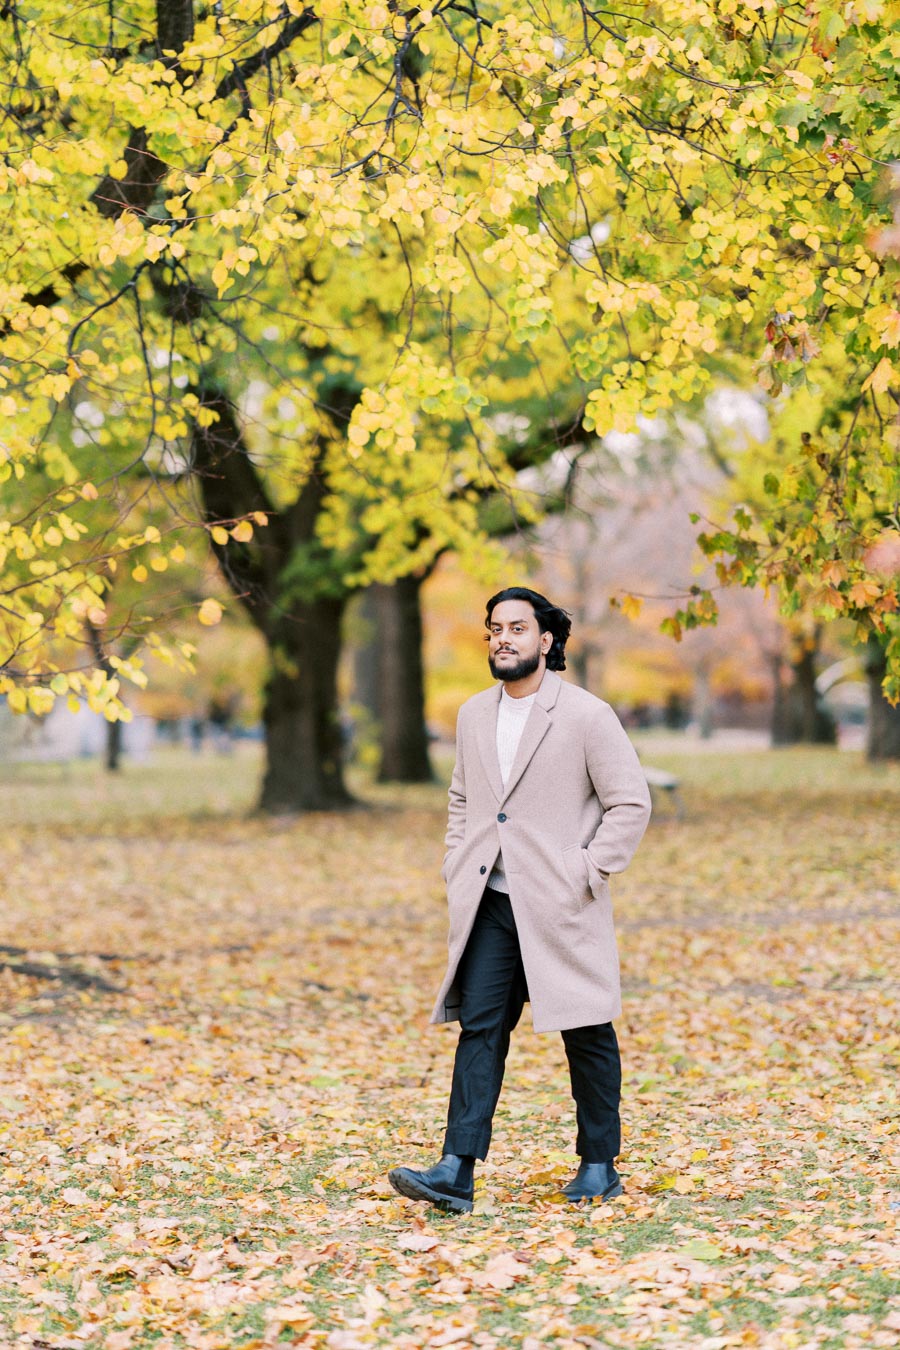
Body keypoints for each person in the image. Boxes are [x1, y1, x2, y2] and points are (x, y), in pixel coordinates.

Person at [389, 586, 652, 1212]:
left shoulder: (587, 715)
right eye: (493, 628)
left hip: (560, 902)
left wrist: (585, 871)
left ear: (546, 640)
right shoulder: (474, 714)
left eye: (516, 627)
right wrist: (457, 862)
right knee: (480, 1029)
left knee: (586, 1028)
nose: (502, 638)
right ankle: (456, 1169)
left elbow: (631, 803)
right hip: (490, 901)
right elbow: (463, 798)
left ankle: (598, 1164)